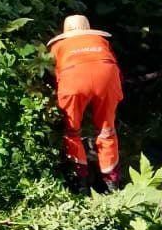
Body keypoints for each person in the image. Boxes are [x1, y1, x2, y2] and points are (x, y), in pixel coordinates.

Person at [47, 15, 123, 191]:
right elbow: (115, 67)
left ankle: (79, 181)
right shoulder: (100, 40)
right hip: (107, 78)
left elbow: (51, 74)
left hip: (73, 79)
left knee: (72, 130)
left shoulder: (58, 46)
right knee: (107, 130)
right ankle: (111, 182)